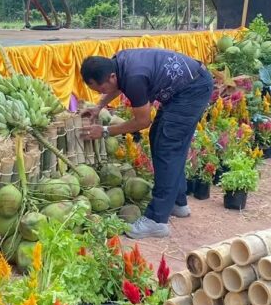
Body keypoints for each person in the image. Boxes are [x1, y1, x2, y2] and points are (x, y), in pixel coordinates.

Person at [79, 49, 213, 239]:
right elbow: (117, 86)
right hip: (187, 86)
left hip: (192, 90)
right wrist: (98, 106)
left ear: (111, 76)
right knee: (159, 137)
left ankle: (156, 221)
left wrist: (105, 131)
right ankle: (178, 201)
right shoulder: (118, 64)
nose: (102, 93)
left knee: (167, 148)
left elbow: (142, 122)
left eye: (101, 90)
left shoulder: (134, 77)